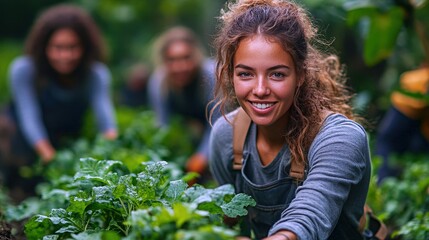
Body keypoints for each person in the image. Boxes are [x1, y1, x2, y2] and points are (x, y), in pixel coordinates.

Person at [208, 0, 371, 239]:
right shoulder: (227, 136)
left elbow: (308, 217)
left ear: (301, 75)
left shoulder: (340, 138)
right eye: (245, 74)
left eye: (277, 74)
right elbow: (230, 221)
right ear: (231, 75)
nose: (260, 89)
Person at [0, 4, 117, 202]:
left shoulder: (95, 74)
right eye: (58, 48)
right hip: (21, 138)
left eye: (72, 47)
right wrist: (49, 156)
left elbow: (105, 119)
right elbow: (29, 116)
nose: (65, 56)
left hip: (63, 137)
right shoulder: (24, 70)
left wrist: (112, 155)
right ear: (44, 47)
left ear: (85, 47)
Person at [147, 26, 218, 184]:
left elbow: (217, 123)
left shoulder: (212, 76)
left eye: (186, 58)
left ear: (196, 56)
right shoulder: (159, 83)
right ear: (164, 61)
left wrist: (201, 157)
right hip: (190, 133)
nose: (180, 66)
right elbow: (163, 126)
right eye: (172, 60)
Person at [375, 63, 429, 184]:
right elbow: (388, 138)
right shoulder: (418, 83)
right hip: (411, 106)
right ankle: (383, 186)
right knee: (389, 142)